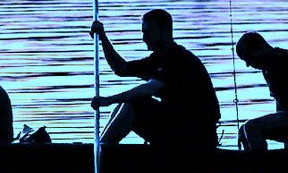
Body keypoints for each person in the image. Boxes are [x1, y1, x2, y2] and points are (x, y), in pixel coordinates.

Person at [90, 9, 220, 148]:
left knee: (132, 104)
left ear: (163, 30)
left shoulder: (180, 59)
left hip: (196, 135)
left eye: (147, 32)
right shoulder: (158, 59)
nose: (144, 38)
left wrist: (108, 100)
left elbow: (149, 89)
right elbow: (121, 68)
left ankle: (103, 150)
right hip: (177, 126)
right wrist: (103, 39)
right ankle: (101, 147)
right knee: (121, 106)